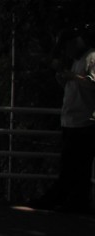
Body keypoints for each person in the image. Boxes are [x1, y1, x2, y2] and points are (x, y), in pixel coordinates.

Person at [32, 31, 95, 213]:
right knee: (75, 166)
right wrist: (65, 80)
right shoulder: (78, 61)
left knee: (75, 165)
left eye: (68, 48)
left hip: (84, 122)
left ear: (76, 43)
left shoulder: (91, 58)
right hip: (73, 120)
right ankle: (74, 202)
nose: (66, 53)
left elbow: (91, 84)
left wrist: (72, 77)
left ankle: (68, 201)